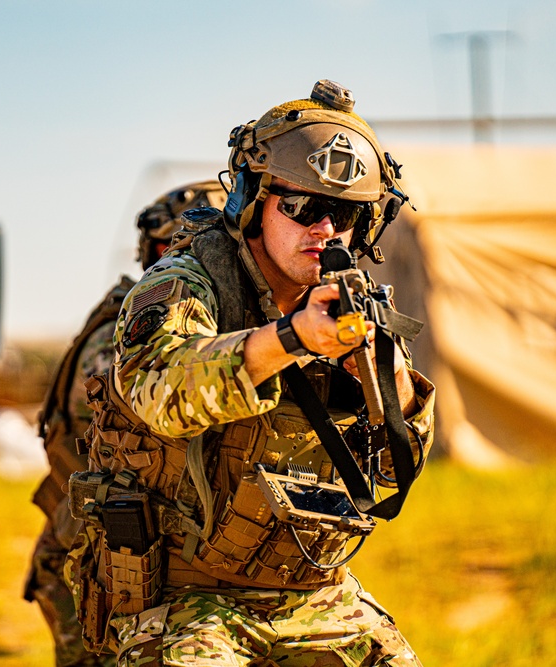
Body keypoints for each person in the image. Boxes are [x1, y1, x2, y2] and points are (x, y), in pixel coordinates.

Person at [66, 80, 436, 666]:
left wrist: (388, 379)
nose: (324, 230)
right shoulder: (185, 285)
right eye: (302, 207)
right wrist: (289, 339)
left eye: (344, 214)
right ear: (253, 202)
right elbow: (161, 391)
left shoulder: (351, 304)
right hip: (188, 597)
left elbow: (397, 466)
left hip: (315, 595)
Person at [23, 181, 228, 667]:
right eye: (172, 243)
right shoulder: (138, 327)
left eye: (206, 242)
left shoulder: (152, 314)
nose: (185, 253)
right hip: (98, 547)